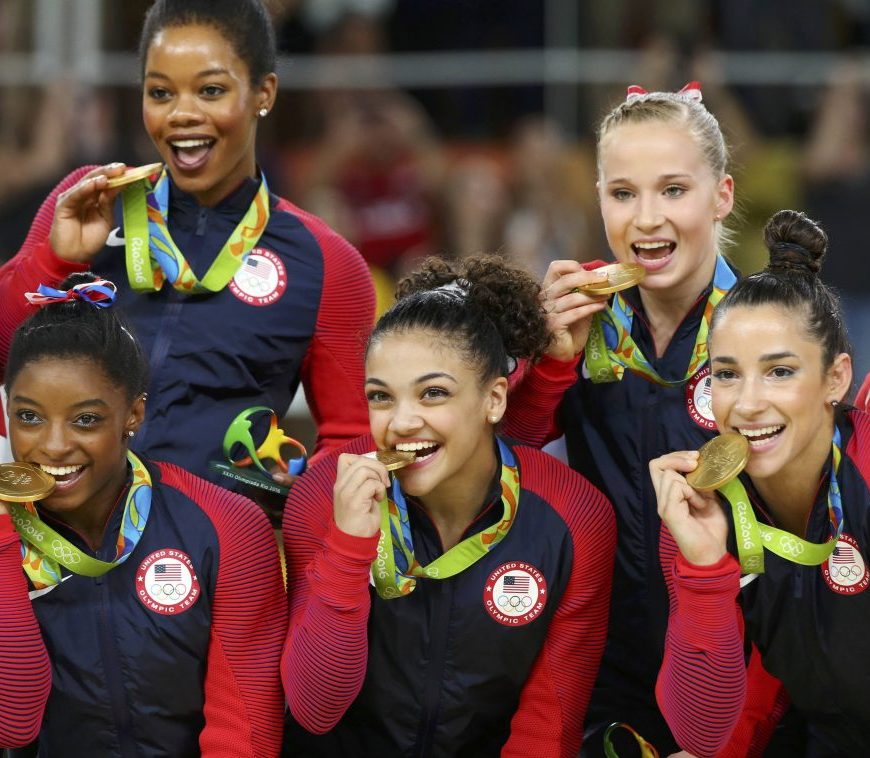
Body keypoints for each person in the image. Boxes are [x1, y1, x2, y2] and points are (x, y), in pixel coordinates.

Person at [0, 0, 375, 488]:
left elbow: (351, 444)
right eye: (160, 93)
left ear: (263, 92)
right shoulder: (91, 201)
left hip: (216, 534)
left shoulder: (325, 262)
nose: (181, 114)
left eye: (210, 90)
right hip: (66, 529)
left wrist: (290, 506)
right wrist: (55, 260)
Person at [280, 255, 615, 756]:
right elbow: (314, 708)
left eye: (433, 393)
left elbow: (548, 724)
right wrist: (348, 550)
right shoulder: (327, 492)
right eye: (380, 397)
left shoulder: (574, 515)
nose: (402, 422)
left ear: (494, 399)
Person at [501, 82, 742, 754]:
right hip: (602, 659)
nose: (646, 219)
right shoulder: (584, 318)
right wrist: (550, 361)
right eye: (623, 193)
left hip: (736, 653)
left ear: (721, 195)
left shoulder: (767, 327)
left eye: (674, 190)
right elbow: (511, 459)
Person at [0, 273, 287, 756]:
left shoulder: (225, 526)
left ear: (133, 415)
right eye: (29, 417)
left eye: (86, 419)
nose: (53, 445)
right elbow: (11, 724)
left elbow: (244, 730)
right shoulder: (5, 534)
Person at [651, 209, 866, 756]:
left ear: (836, 378)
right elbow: (704, 733)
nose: (747, 404)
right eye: (727, 374)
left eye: (780, 372)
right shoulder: (701, 510)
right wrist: (703, 567)